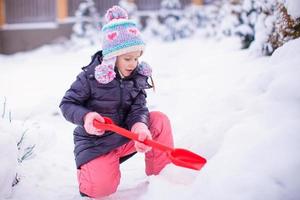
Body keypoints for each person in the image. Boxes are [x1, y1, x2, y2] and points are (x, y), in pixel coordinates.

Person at [59, 5, 174, 199]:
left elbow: (139, 108)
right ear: (112, 57)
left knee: (159, 120)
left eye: (137, 58)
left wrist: (139, 126)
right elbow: (67, 104)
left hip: (124, 136)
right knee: (101, 190)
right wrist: (86, 117)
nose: (133, 64)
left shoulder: (136, 77)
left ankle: (162, 179)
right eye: (128, 58)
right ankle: (94, 172)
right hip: (96, 144)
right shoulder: (89, 78)